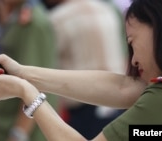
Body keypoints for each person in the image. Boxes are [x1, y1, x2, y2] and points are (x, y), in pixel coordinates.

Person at [0, 0, 162, 140]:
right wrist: (23, 74)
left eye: (132, 42)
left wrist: (29, 94)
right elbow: (123, 87)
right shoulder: (107, 9)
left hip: (82, 113)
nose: (134, 60)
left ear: (158, 26)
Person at [48, 0, 127, 138]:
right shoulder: (108, 10)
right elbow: (124, 55)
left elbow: (49, 65)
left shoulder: (57, 19)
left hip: (83, 105)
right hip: (119, 99)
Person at [0, 0, 59, 141]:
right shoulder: (18, 15)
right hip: (8, 124)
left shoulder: (32, 23)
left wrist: (19, 133)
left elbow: (36, 82)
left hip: (24, 130)